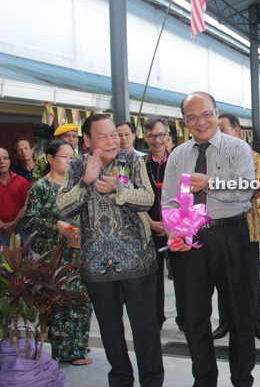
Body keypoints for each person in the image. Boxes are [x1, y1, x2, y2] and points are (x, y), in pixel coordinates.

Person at [56, 114, 163, 387]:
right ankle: (120, 380)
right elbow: (63, 207)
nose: (111, 140)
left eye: (114, 134)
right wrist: (85, 182)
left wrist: (120, 188)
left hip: (137, 260)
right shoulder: (78, 166)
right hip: (96, 263)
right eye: (102, 136)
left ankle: (152, 381)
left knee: (145, 328)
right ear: (87, 140)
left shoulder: (132, 160)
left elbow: (148, 198)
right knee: (110, 330)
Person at [162, 92, 256, 387]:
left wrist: (211, 183)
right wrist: (174, 228)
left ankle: (242, 379)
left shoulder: (238, 148)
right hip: (191, 242)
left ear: (216, 113)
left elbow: (245, 191)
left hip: (230, 234)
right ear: (184, 122)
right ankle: (204, 379)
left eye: (206, 114)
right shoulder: (178, 155)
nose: (200, 122)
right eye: (192, 117)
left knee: (240, 315)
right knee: (194, 317)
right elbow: (168, 202)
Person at [22, 140, 93, 366]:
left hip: (79, 254)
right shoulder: (40, 188)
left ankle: (78, 345)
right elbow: (29, 220)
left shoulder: (77, 186)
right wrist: (56, 225)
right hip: (54, 257)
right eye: (64, 156)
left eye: (72, 157)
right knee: (61, 302)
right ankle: (67, 351)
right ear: (50, 159)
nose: (69, 161)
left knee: (82, 301)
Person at [212, 113, 260, 341]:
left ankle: (256, 321)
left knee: (251, 277)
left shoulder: (253, 157)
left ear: (237, 131)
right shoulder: (212, 157)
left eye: (223, 129)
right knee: (223, 278)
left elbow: (258, 189)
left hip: (248, 226)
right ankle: (225, 322)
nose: (220, 133)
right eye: (217, 130)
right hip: (218, 227)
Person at [142, 116, 176, 331]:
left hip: (178, 229)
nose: (157, 140)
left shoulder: (178, 161)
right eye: (152, 136)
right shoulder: (139, 165)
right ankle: (156, 319)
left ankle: (185, 318)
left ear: (167, 136)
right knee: (153, 278)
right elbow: (132, 197)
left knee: (182, 276)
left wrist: (175, 225)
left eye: (161, 135)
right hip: (150, 226)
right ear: (145, 137)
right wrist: (150, 223)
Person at [0, 147, 31, 247]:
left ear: (9, 160)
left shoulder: (21, 181)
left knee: (25, 258)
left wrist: (13, 224)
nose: (2, 162)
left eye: (5, 158)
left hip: (20, 225)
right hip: (0, 228)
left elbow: (27, 204)